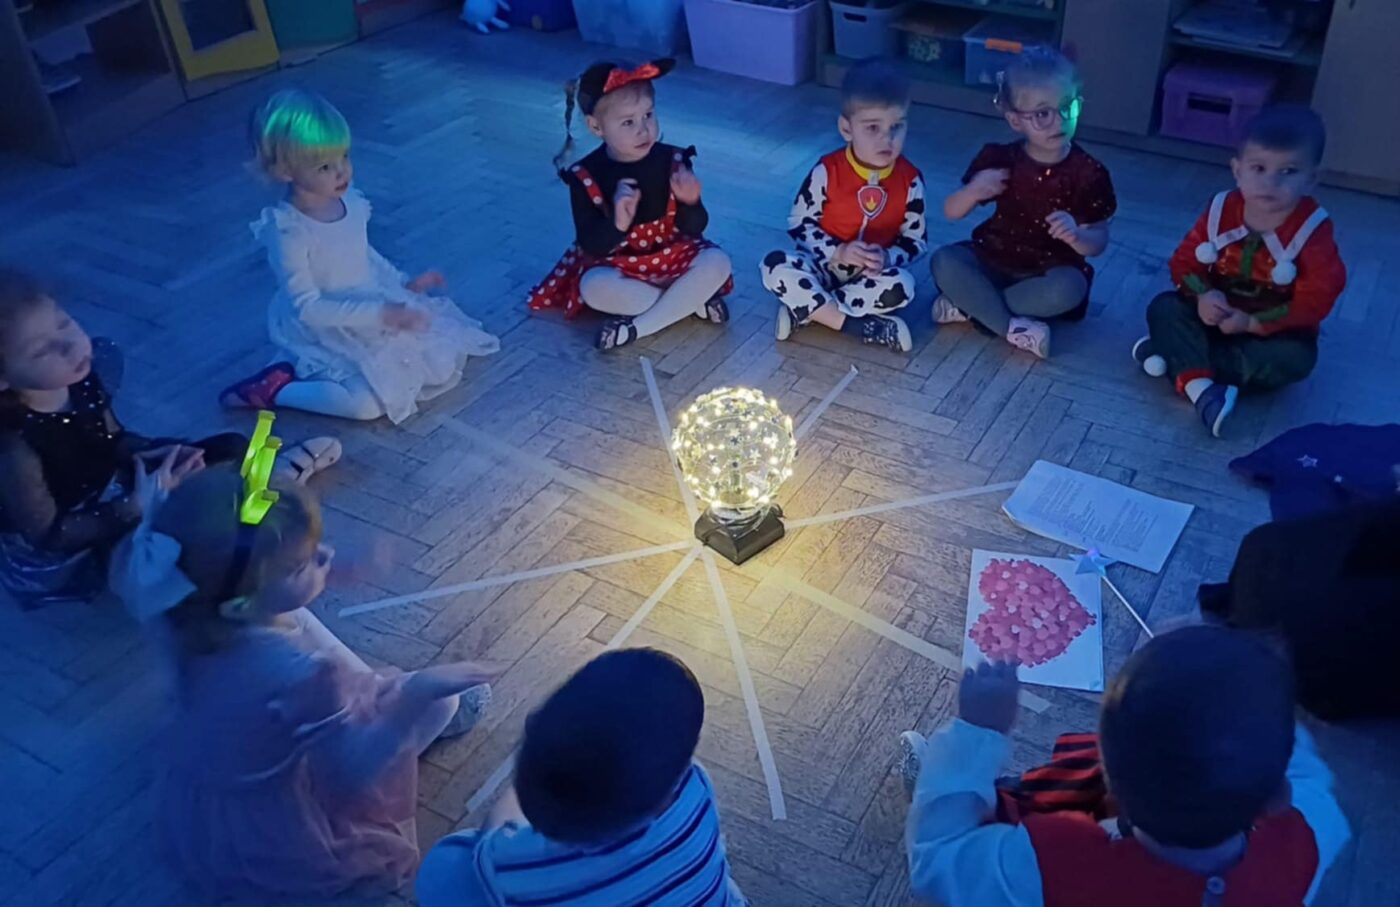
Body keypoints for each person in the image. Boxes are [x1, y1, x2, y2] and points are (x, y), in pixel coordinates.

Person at [109, 465, 493, 898]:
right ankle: (408, 710)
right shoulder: (296, 673)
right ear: (241, 603)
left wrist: (318, 571)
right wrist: (415, 697)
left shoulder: (175, 598)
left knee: (299, 617)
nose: (327, 554)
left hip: (207, 790)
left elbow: (267, 595)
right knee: (442, 702)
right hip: (275, 812)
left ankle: (376, 692)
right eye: (301, 565)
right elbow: (350, 776)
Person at [899, 628, 1350, 906]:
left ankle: (950, 788)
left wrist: (975, 736)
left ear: (1108, 783)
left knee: (972, 803)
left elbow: (937, 861)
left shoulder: (1054, 863)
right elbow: (1310, 777)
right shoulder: (1306, 840)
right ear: (1278, 797)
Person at [0, 269, 338, 606]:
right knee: (170, 546)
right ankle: (237, 570)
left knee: (230, 448)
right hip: (79, 539)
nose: (70, 345)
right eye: (41, 350)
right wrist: (133, 507)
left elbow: (111, 439)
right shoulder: (15, 447)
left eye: (64, 324)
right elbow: (50, 535)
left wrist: (158, 453)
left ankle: (258, 499)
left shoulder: (80, 378)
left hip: (112, 489)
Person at [220, 89, 500, 424]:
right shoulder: (289, 231)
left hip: (369, 302)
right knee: (367, 406)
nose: (342, 172)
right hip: (323, 323)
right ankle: (275, 389)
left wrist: (404, 284)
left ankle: (289, 368)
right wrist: (381, 314)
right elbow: (308, 308)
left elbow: (363, 253)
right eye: (325, 166)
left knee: (439, 362)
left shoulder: (349, 201)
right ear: (285, 171)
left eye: (344, 156)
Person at [417, 648, 746, 905]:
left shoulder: (517, 867)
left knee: (447, 866)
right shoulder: (694, 786)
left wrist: (504, 821)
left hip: (528, 870)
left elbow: (494, 838)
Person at [1133, 106, 1346, 438]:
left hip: (1270, 331)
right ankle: (1203, 387)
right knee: (1164, 307)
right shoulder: (1221, 209)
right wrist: (1203, 296)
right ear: (1237, 170)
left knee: (1297, 360)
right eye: (1258, 168)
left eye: (1288, 171)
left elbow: (1318, 298)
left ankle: (1180, 360)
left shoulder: (1313, 230)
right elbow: (1184, 262)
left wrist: (1252, 323)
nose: (1270, 182)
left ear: (1312, 178)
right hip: (1214, 316)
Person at [527, 59, 734, 351]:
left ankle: (636, 328)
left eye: (648, 115)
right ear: (596, 126)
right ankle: (690, 302)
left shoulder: (674, 160)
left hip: (673, 257)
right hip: (619, 266)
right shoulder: (585, 176)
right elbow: (591, 244)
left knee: (718, 261)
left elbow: (693, 229)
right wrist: (618, 224)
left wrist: (691, 202)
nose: (644, 129)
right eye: (628, 122)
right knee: (593, 287)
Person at [931, 46, 1116, 359]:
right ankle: (1009, 327)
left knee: (1070, 289)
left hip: (1048, 273)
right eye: (1042, 114)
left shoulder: (1089, 173)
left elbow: (1098, 241)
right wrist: (973, 191)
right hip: (992, 257)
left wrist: (1076, 236)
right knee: (943, 261)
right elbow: (950, 211)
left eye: (1067, 107)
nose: (1059, 121)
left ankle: (973, 306)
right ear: (1015, 120)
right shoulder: (1001, 158)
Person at [760, 58, 925, 353]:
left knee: (904, 286)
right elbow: (799, 223)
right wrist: (837, 251)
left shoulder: (910, 180)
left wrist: (888, 257)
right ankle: (856, 326)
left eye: (897, 127)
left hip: (868, 276)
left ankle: (809, 310)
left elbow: (916, 241)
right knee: (774, 265)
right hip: (821, 265)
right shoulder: (827, 171)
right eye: (872, 127)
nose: (887, 138)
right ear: (846, 128)